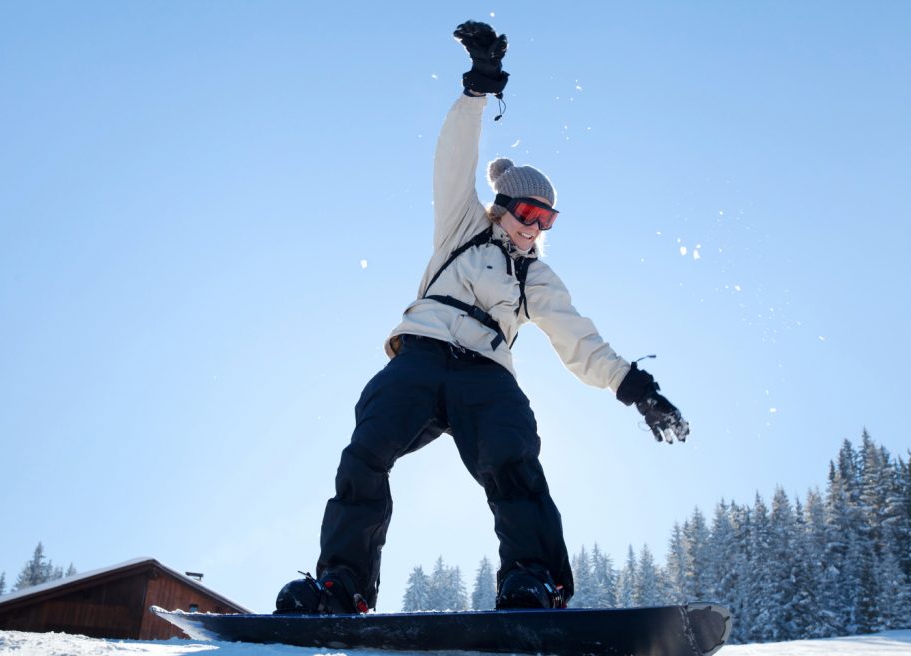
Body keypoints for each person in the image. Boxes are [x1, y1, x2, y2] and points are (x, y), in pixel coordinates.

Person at [275, 20, 689, 615]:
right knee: (365, 453)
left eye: (546, 222)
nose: (533, 228)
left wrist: (637, 390)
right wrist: (479, 87)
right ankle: (343, 585)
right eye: (525, 211)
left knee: (512, 460)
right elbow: (453, 158)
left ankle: (532, 580)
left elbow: (581, 342)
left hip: (486, 375)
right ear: (501, 207)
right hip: (419, 356)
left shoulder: (535, 278)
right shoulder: (461, 230)